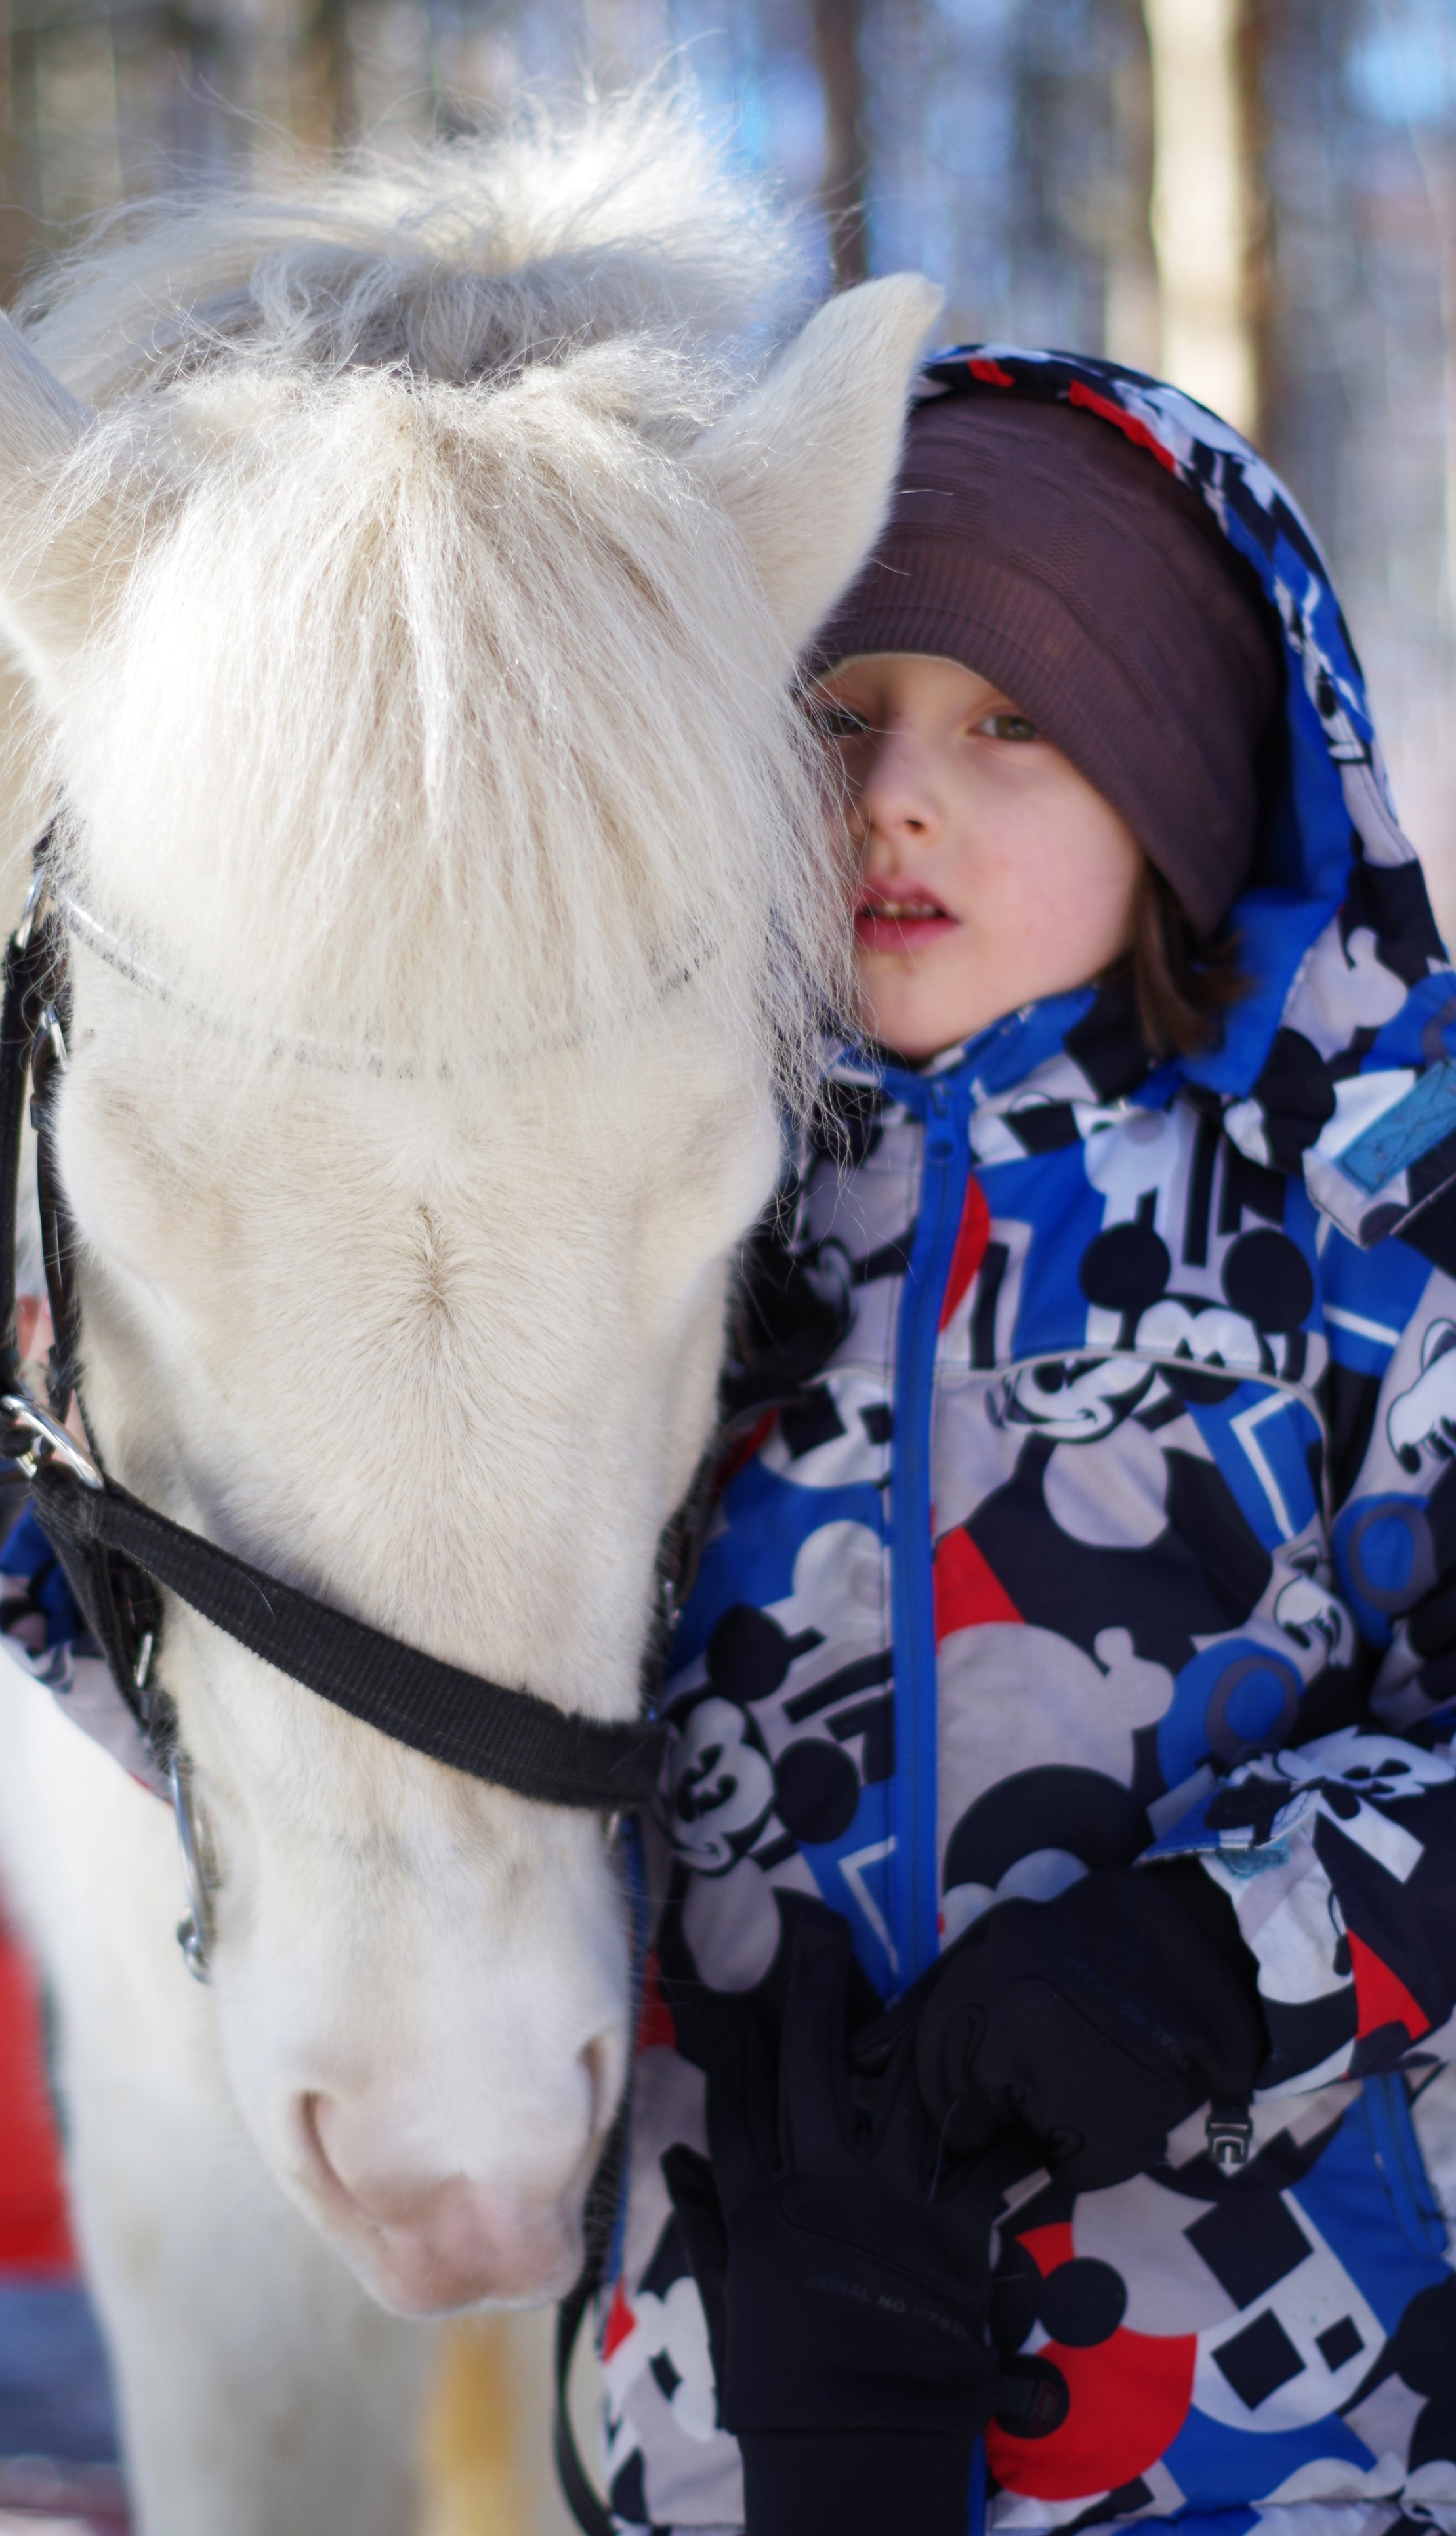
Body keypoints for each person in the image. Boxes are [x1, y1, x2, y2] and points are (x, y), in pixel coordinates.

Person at [600, 351, 1456, 2536]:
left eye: (1010, 719)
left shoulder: (1372, 1223)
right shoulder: (637, 1219)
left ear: (1179, 776)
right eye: (839, 712)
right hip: (724, 2433)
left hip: (1287, 2455)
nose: (896, 793)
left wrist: (1221, 1958)